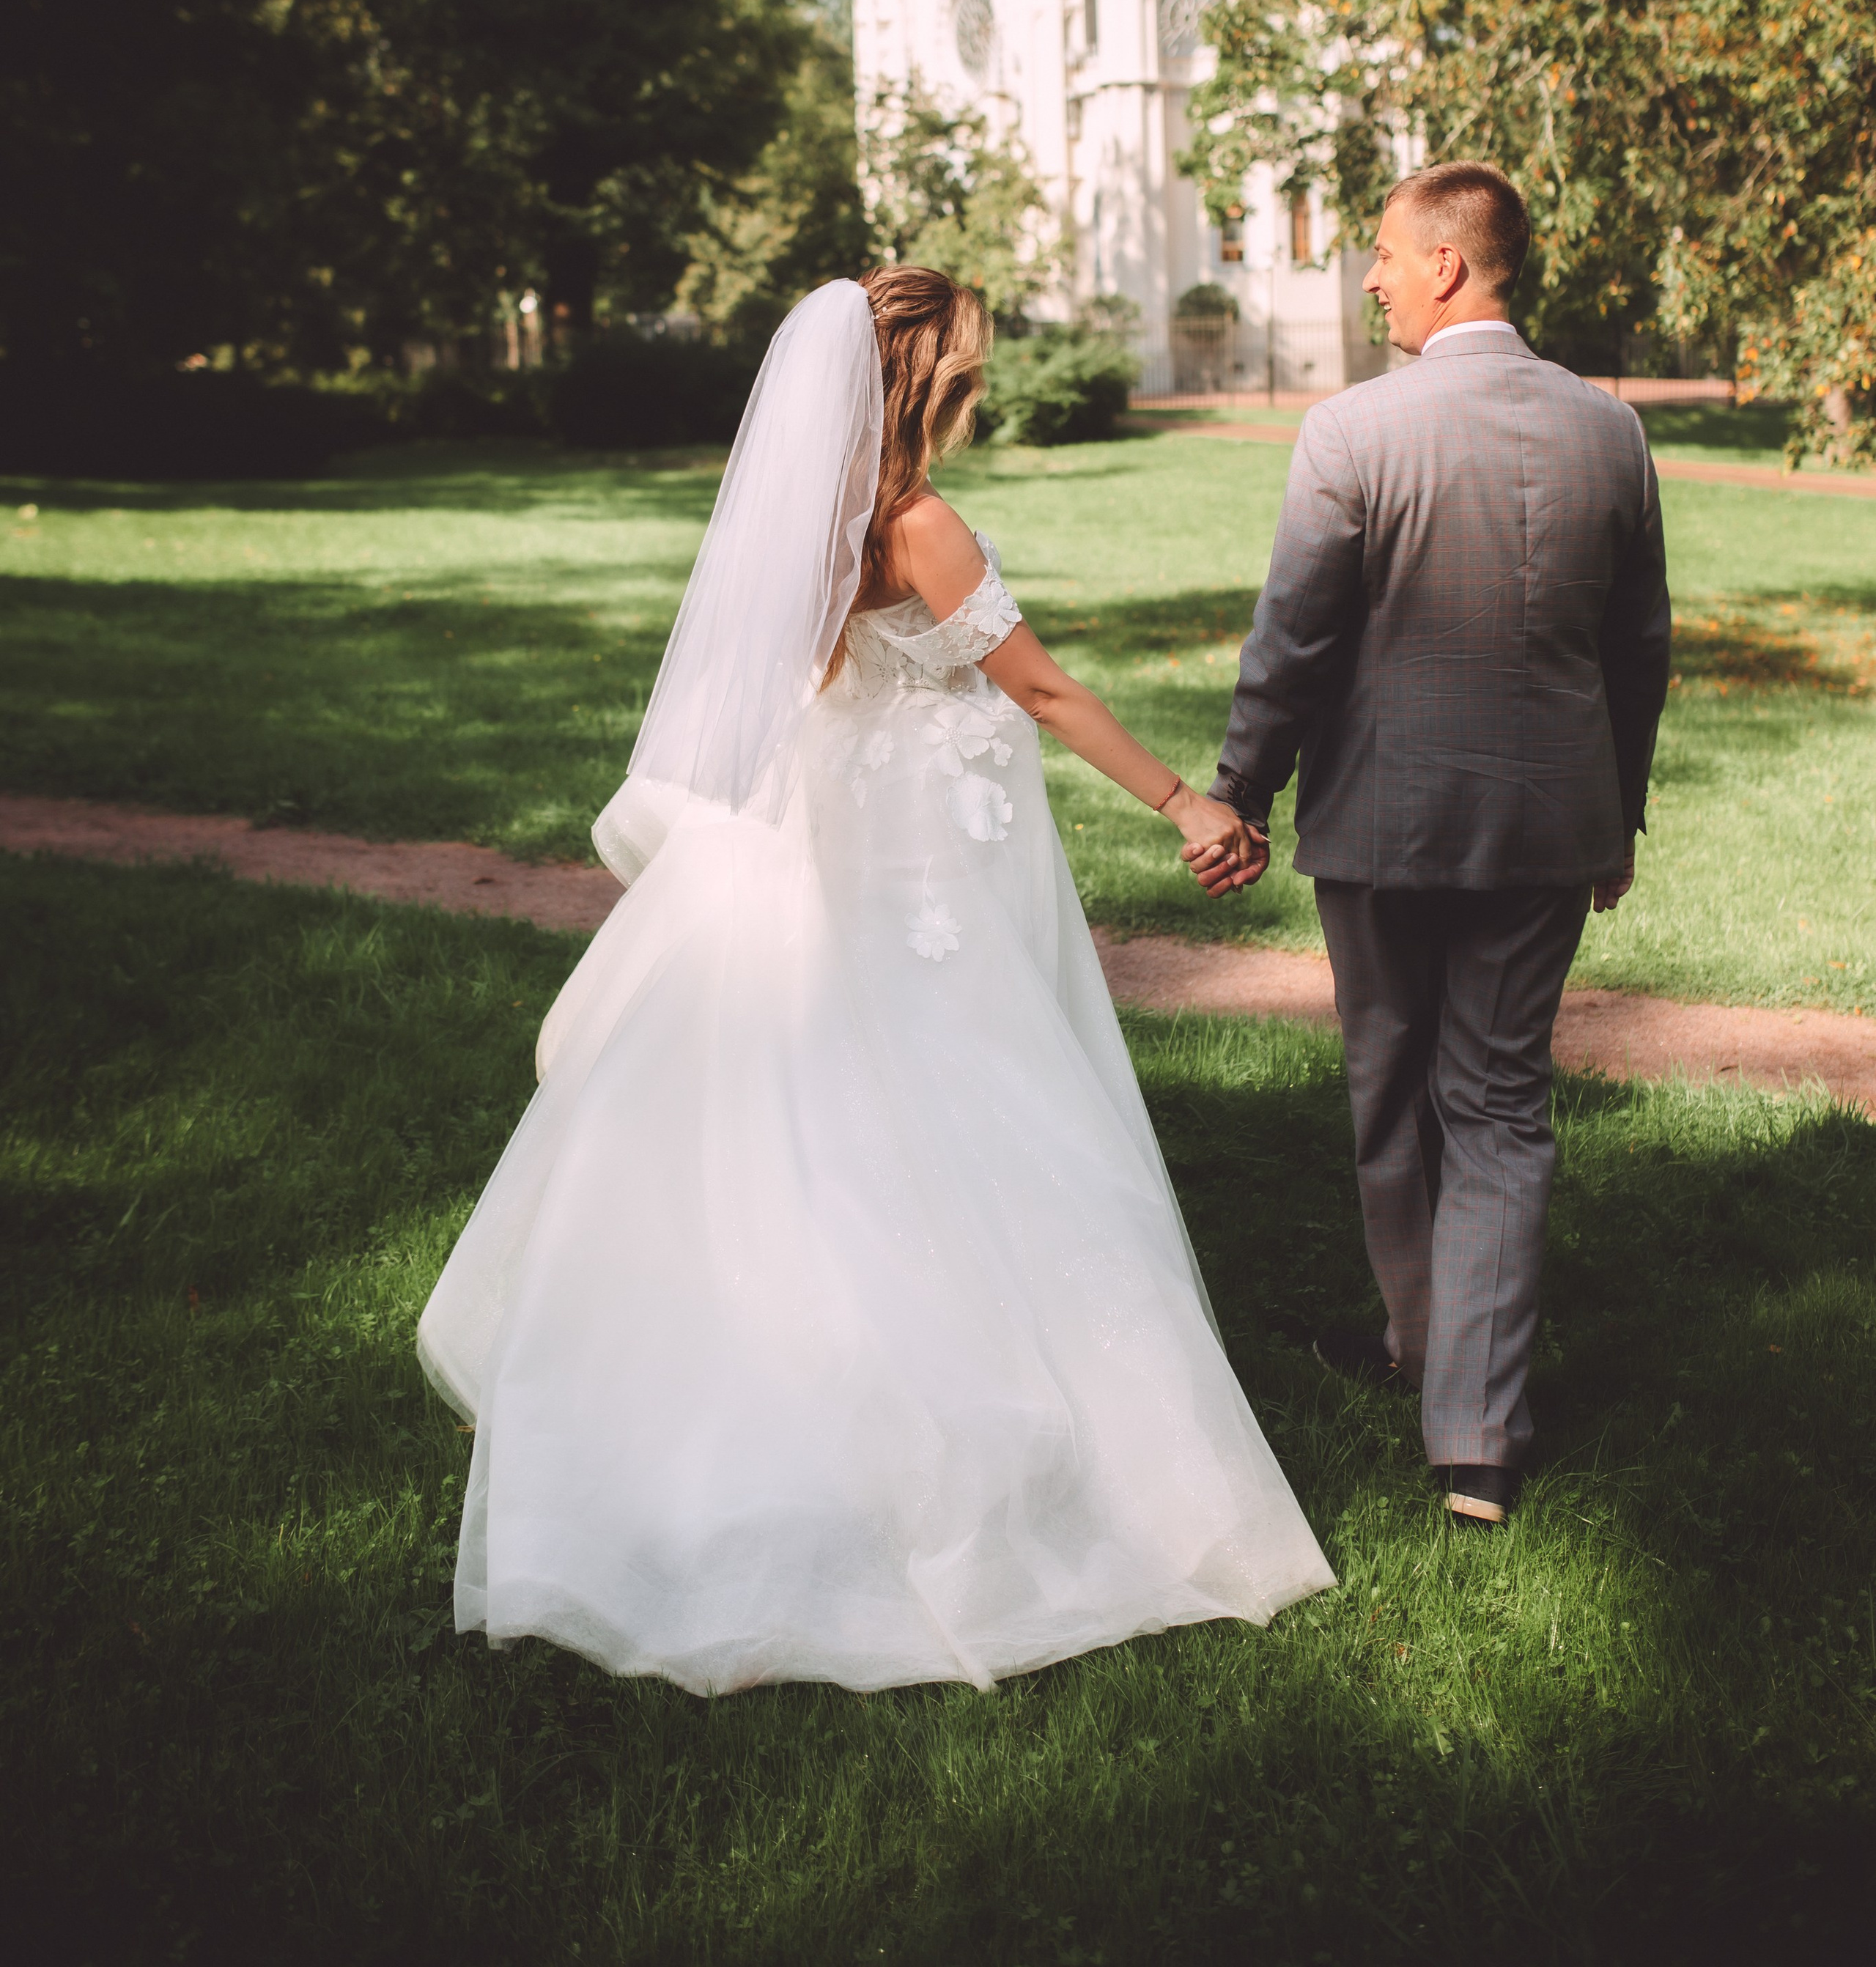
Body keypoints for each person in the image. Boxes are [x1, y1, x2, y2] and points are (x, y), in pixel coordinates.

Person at [418, 266, 1333, 1691]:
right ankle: (987, 1471)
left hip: (831, 875)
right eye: (969, 360)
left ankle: (759, 1443)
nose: (983, 379)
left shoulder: (803, 530)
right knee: (969, 1138)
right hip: (915, 897)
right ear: (924, 377)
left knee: (814, 1142)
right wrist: (1185, 804)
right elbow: (1038, 688)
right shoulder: (916, 525)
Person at [1186, 163, 1672, 1531]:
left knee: (1392, 1092)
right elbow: (1641, 658)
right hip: (1546, 831)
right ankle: (1477, 1437)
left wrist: (1241, 789)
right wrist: (1616, 817)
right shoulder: (1611, 434)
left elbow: (1293, 644)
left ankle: (1421, 1351)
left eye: (1388, 256)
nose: (1373, 279)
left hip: (1386, 835)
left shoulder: (1350, 432)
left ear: (1449, 266)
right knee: (1505, 1111)